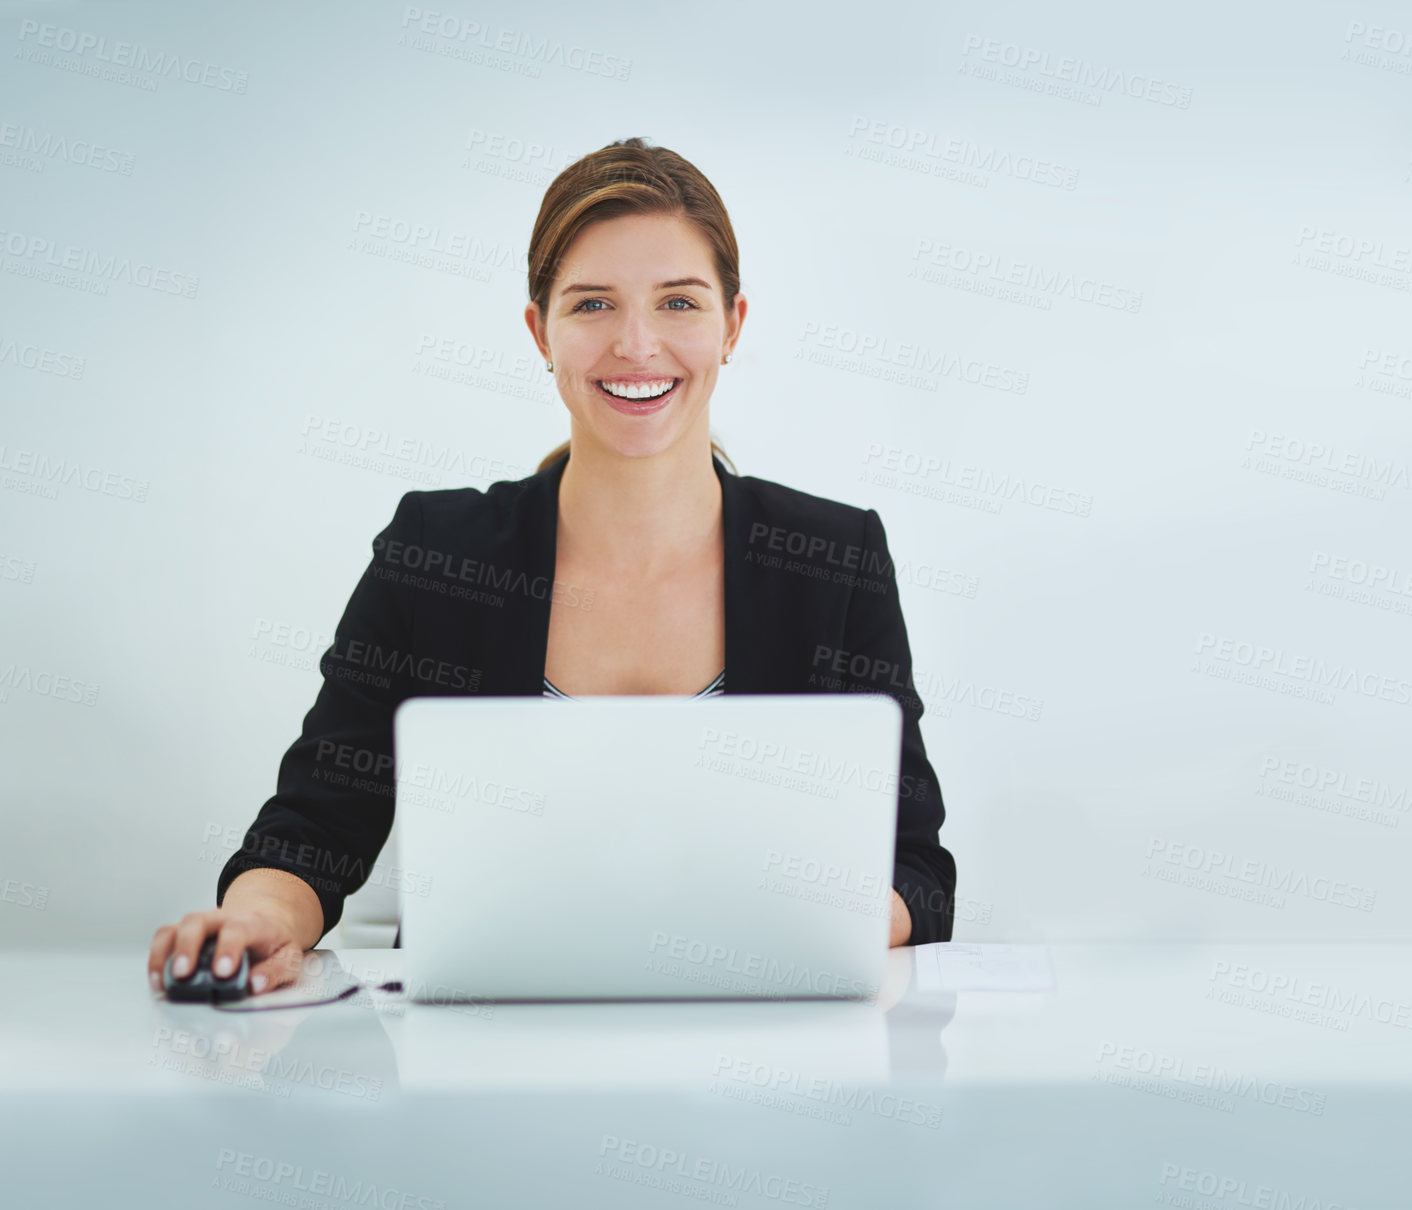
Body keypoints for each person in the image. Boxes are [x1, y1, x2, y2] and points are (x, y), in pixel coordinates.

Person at [148, 137, 957, 997]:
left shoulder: (832, 559)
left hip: (760, 1046)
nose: (637, 344)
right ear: (541, 331)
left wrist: (799, 925)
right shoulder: (437, 553)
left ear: (732, 326)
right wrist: (258, 923)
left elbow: (916, 871)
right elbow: (311, 832)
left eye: (679, 302)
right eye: (593, 304)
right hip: (486, 1063)